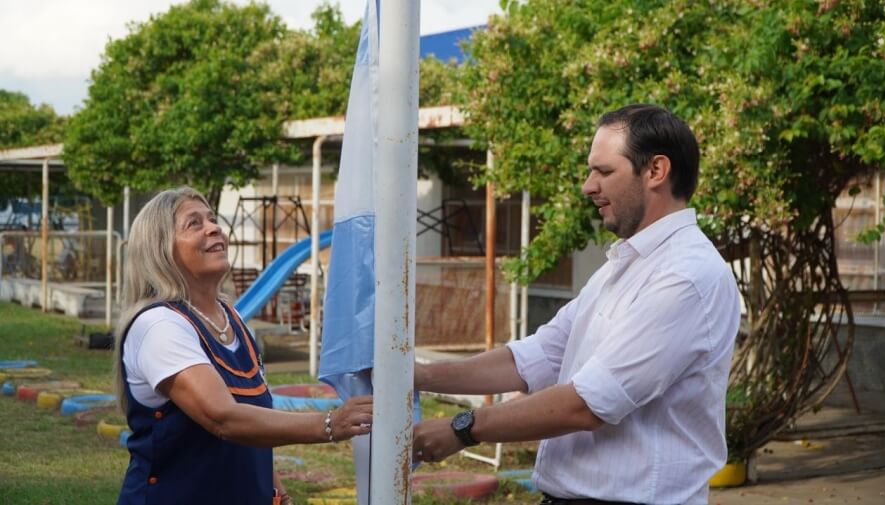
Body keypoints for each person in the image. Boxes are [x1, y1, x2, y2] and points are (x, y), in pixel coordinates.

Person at [412, 104, 741, 505]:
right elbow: (538, 356)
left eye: (604, 171)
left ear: (656, 170)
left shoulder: (686, 276)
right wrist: (422, 376)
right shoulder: (625, 266)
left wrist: (463, 428)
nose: (588, 186)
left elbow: (587, 405)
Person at [113, 187, 373, 505]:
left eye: (212, 219)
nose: (214, 228)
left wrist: (275, 490)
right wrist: (329, 424)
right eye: (194, 223)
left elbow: (254, 419)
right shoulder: (159, 325)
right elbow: (223, 418)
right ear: (160, 250)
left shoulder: (231, 318)